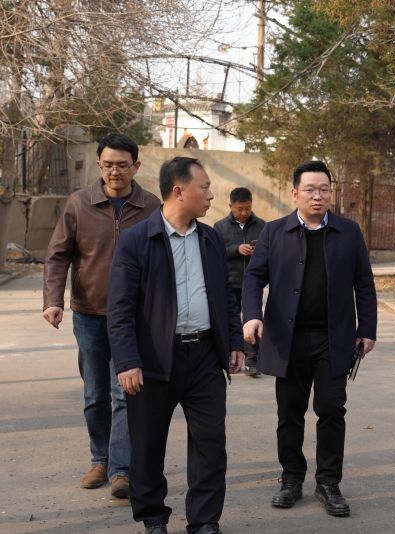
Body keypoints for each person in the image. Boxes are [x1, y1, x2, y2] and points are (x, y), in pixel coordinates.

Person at [107, 157, 245, 534]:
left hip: (204, 357)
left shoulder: (211, 239)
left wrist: (234, 340)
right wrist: (127, 360)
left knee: (210, 444)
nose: (211, 195)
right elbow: (119, 307)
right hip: (153, 360)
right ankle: (153, 519)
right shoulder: (137, 240)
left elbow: (225, 296)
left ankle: (204, 521)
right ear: (179, 191)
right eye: (205, 187)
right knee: (148, 446)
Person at [242, 160, 377, 518]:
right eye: (310, 190)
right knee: (290, 412)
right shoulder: (274, 232)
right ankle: (291, 478)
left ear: (332, 192)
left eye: (324, 189)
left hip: (334, 337)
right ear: (295, 193)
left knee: (331, 409)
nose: (318, 196)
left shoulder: (349, 232)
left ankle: (328, 482)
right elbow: (253, 278)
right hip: (287, 339)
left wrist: (367, 329)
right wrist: (252, 315)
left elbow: (364, 283)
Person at [42, 132, 160, 498]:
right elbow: (58, 255)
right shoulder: (79, 203)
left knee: (125, 392)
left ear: (135, 166)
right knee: (95, 394)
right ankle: (100, 459)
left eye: (122, 165)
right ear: (98, 165)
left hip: (134, 317)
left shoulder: (151, 206)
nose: (114, 172)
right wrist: (53, 300)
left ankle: (121, 469)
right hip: (90, 314)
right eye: (107, 165)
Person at [213, 187, 266, 376]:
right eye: (239, 209)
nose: (244, 213)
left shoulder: (262, 226)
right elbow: (216, 252)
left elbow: (270, 251)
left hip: (253, 284)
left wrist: (258, 250)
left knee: (252, 319)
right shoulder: (219, 227)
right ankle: (231, 358)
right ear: (230, 206)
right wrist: (236, 249)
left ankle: (252, 361)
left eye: (247, 208)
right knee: (231, 320)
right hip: (230, 282)